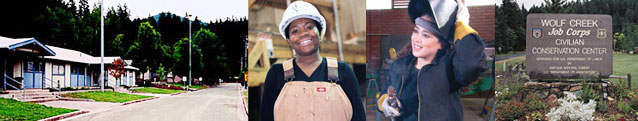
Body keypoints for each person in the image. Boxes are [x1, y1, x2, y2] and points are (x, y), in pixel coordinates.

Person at [377, 0, 487, 120]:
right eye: (416, 31)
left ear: (441, 44)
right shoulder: (399, 65)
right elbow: (386, 91)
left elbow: (470, 66)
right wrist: (384, 102)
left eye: (426, 35)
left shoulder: (449, 69)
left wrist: (461, 25)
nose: (417, 39)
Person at [259, 1, 365, 121]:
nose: (303, 33)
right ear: (288, 40)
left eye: (309, 27)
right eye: (295, 31)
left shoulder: (343, 71)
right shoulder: (277, 73)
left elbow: (359, 117)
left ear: (320, 33)